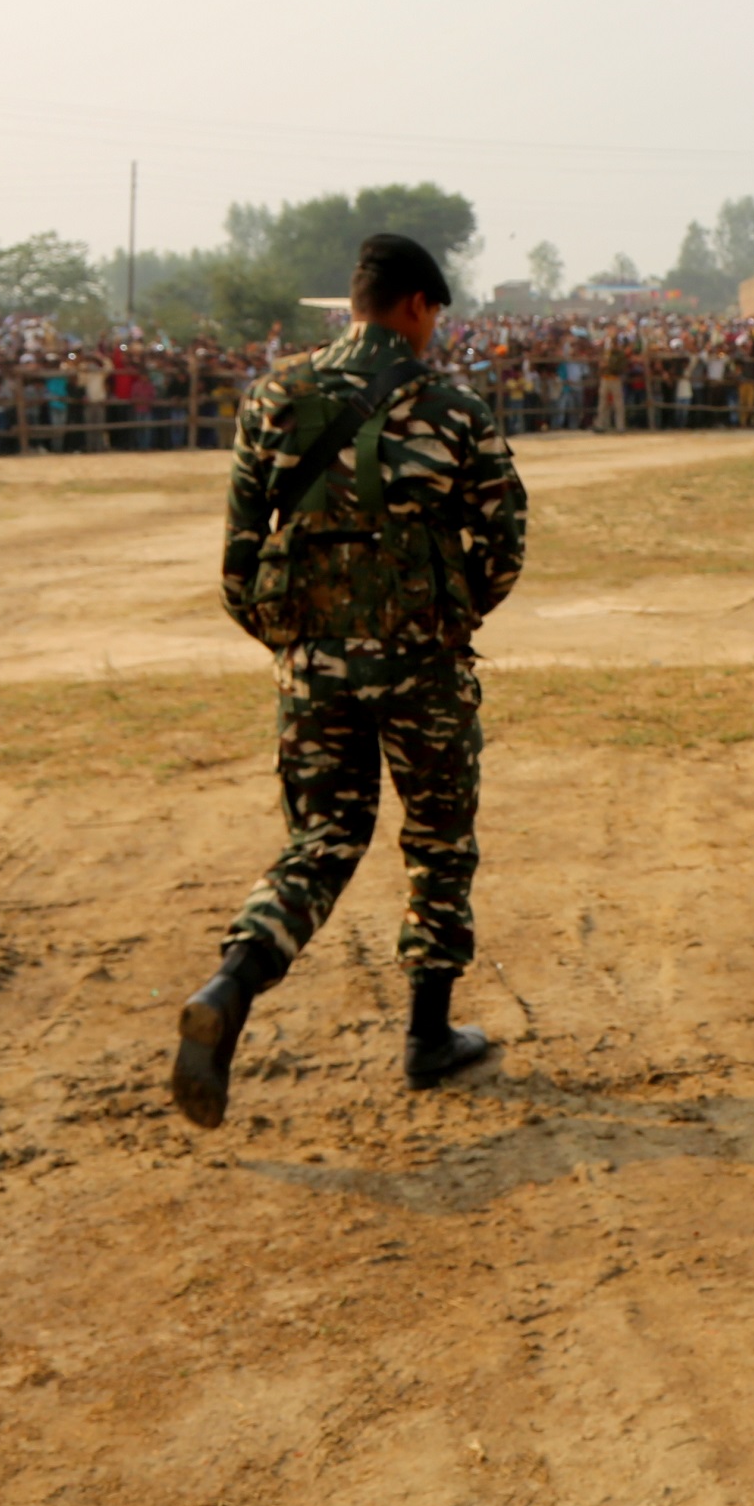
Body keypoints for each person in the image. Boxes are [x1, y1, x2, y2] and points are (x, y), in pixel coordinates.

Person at [171, 233, 528, 1128]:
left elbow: (238, 562)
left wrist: (298, 643)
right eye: (435, 315)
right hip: (424, 662)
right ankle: (427, 1038)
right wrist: (447, 617)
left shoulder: (274, 395)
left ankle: (229, 986)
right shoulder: (454, 406)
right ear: (416, 306)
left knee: (323, 838)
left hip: (312, 664)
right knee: (439, 840)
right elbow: (505, 541)